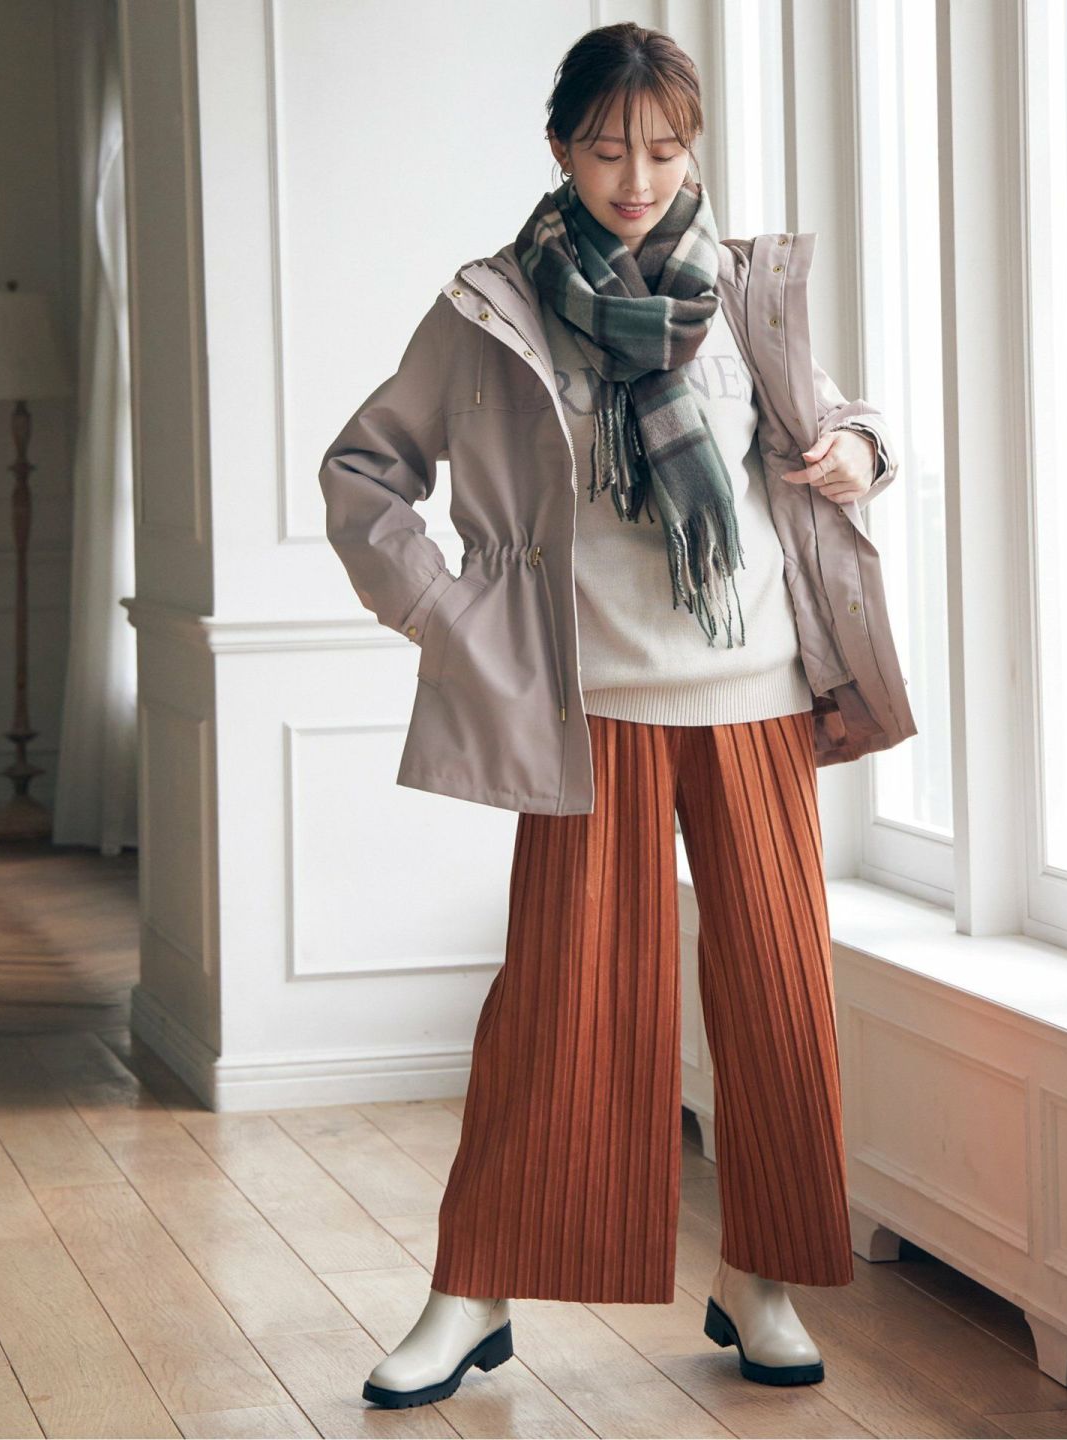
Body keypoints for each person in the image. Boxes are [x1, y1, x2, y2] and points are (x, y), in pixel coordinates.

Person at [318, 21, 912, 1413]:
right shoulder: (493, 310)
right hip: (592, 711)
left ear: (691, 150)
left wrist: (859, 450)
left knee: (778, 998)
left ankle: (761, 1278)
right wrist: (445, 615)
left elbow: (839, 420)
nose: (637, 179)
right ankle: (472, 1291)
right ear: (558, 148)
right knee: (560, 1007)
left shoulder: (745, 290)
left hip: (758, 695)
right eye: (605, 150)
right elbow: (365, 471)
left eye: (662, 150)